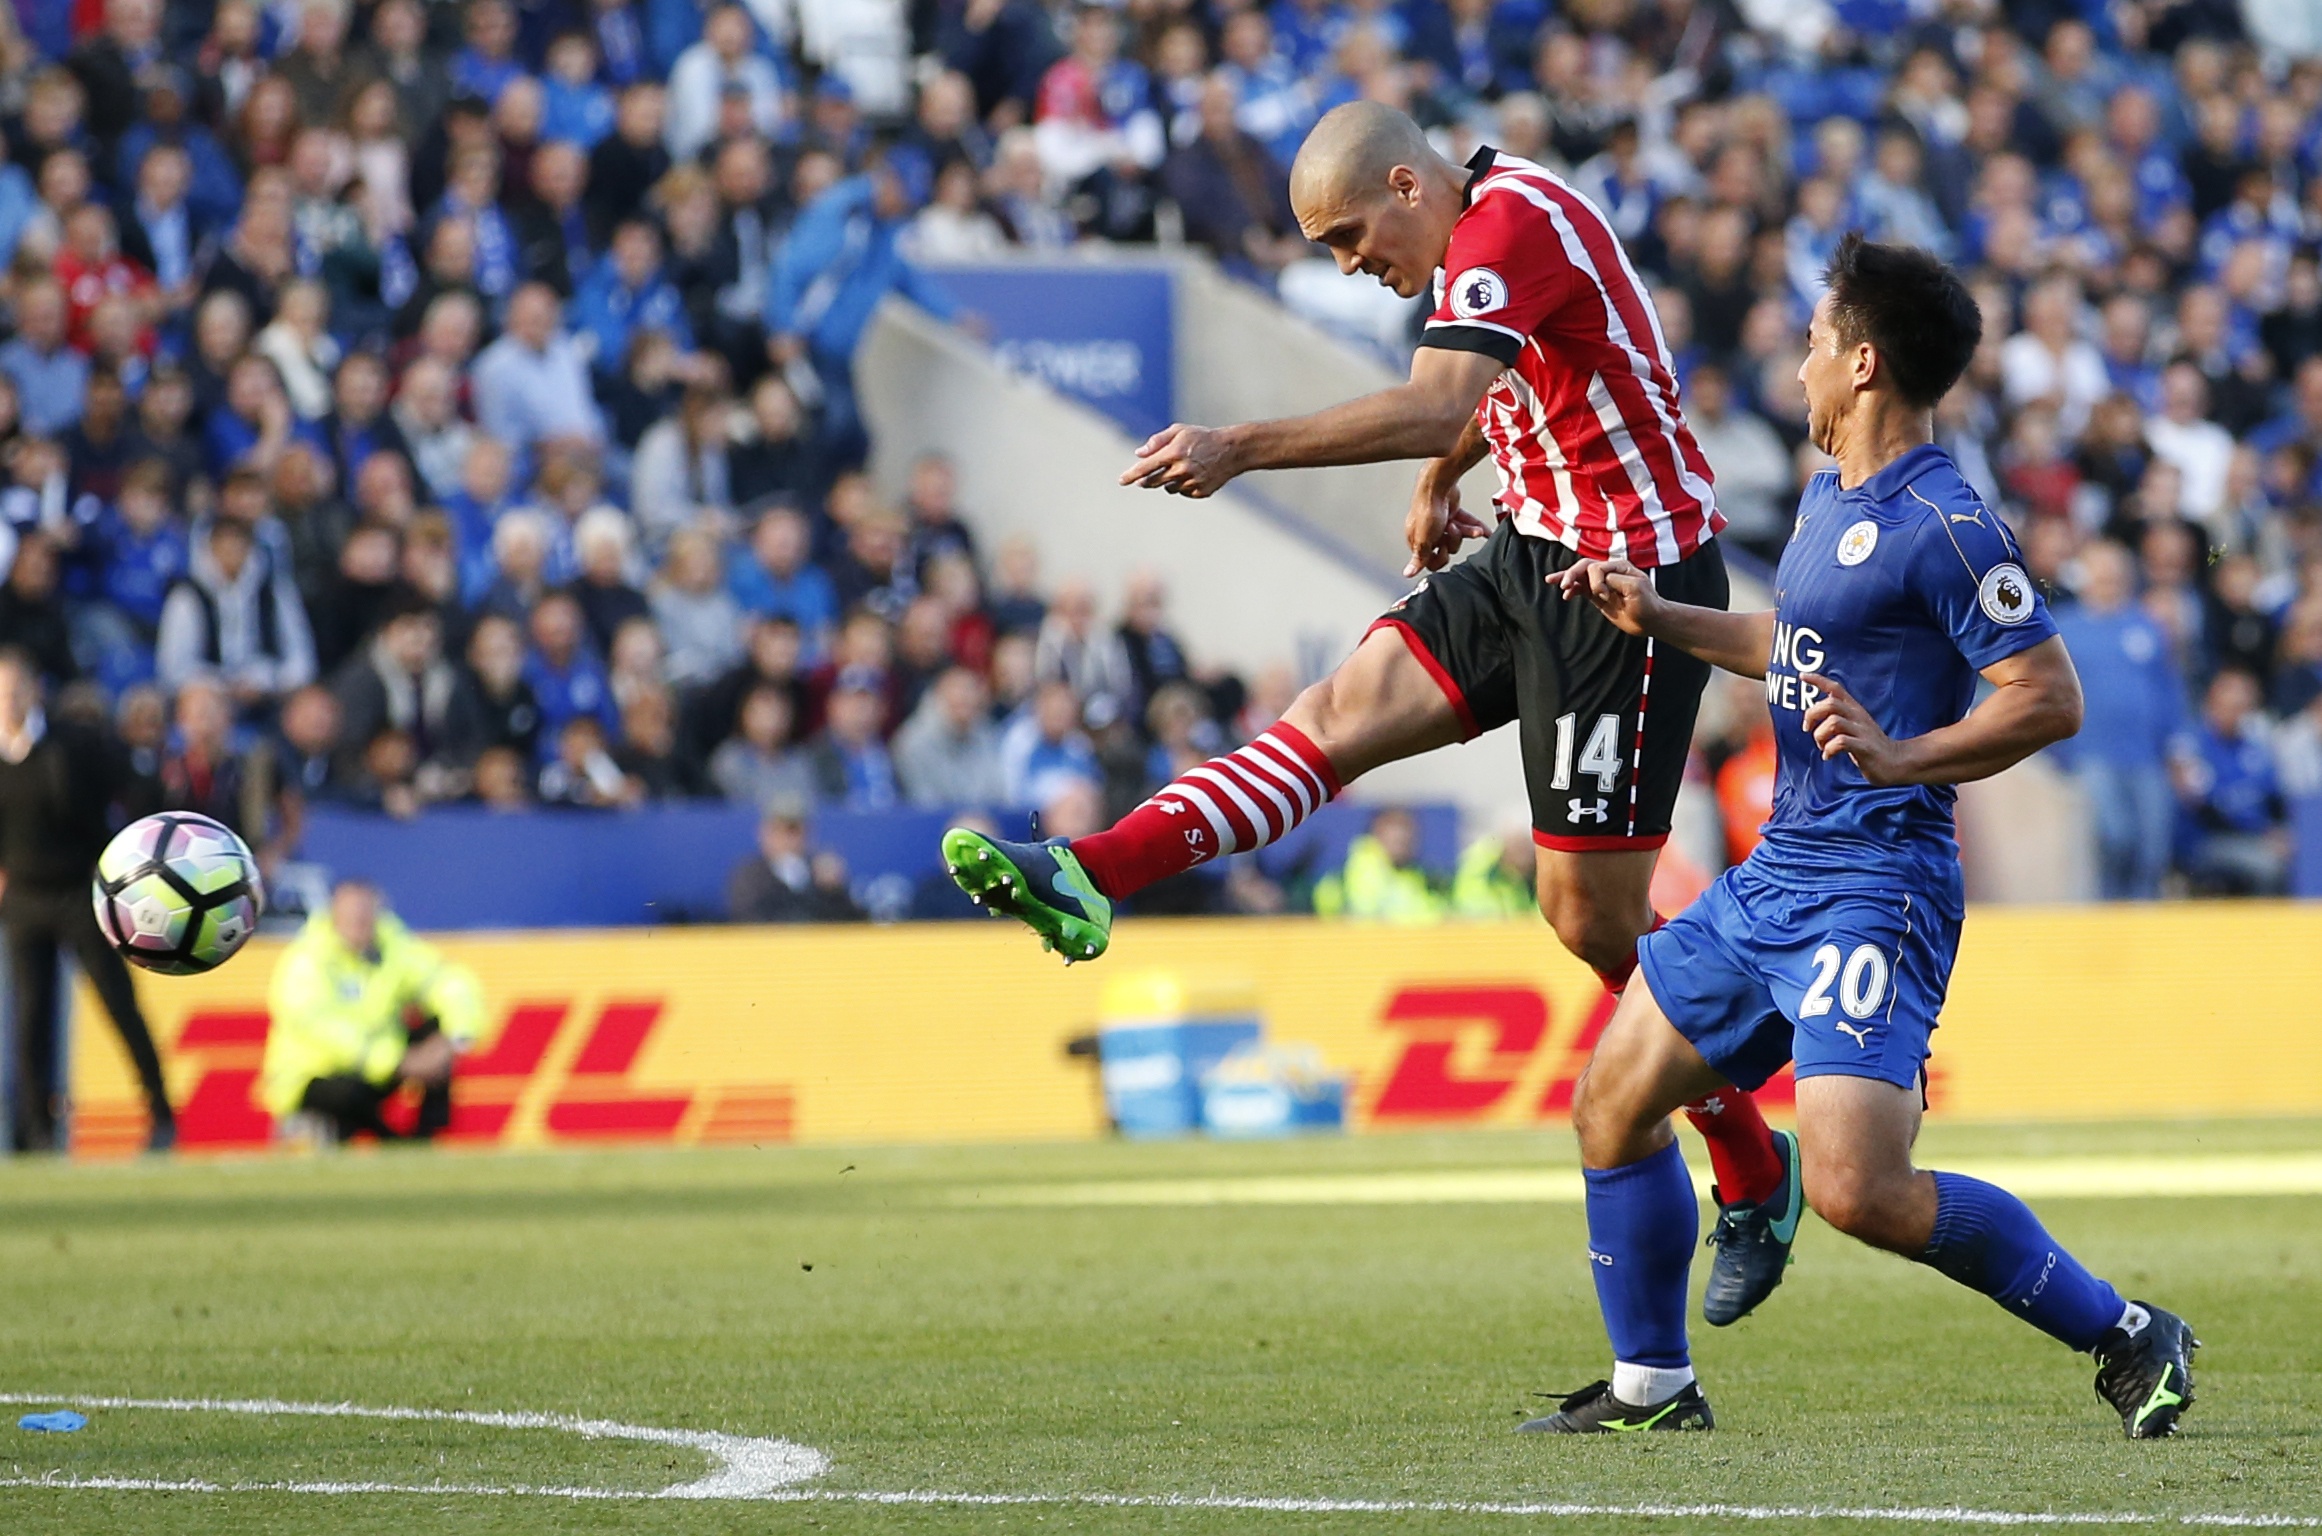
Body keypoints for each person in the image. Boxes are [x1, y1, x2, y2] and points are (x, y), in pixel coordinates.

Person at [943, 101, 1789, 1299]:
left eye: (1349, 235)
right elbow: (1496, 394)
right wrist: (1446, 483)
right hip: (1533, 549)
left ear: (1408, 182)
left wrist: (1241, 444)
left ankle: (1757, 1160)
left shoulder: (1510, 229)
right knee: (1331, 717)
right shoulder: (1476, 235)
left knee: (1590, 922)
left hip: (1630, 588)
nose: (1349, 265)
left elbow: (1445, 400)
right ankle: (1094, 872)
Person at [1532, 236, 2195, 1439]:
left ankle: (2129, 1333)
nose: (1799, 364)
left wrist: (1900, 755)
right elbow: (1793, 647)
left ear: (1865, 363)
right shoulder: (1830, 495)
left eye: (1815, 342)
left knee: (1859, 1191)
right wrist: (1658, 612)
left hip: (1875, 887)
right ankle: (1653, 1389)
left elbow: (2047, 697)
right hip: (1780, 869)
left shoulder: (1948, 524)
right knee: (1609, 1103)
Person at [0, 648, 175, 1153]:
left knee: (117, 1002)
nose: (9, 702)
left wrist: (129, 861)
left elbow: (140, 790)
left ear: (35, 692)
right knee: (31, 1017)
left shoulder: (75, 743)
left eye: (16, 690)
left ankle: (160, 1112)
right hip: (25, 899)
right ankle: (34, 1131)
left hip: (84, 892)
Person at [262, 879, 484, 1144]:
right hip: (313, 1077)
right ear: (333, 915)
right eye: (351, 916)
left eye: (366, 916)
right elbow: (327, 1032)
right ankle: (388, 1141)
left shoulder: (393, 946)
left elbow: (448, 981)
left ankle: (428, 1138)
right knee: (346, 1093)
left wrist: (454, 1040)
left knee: (436, 1029)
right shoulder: (305, 959)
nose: (359, 923)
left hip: (378, 1067)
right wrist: (397, 1062)